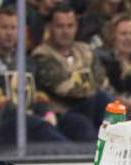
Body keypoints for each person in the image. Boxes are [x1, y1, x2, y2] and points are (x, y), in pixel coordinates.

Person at [0, 5, 68, 143]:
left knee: (73, 121)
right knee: (38, 125)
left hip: (29, 123)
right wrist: (29, 117)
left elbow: (39, 92)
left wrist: (46, 112)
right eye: (4, 28)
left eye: (13, 28)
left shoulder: (26, 62)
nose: (9, 33)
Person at [31, 3, 113, 141]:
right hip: (63, 114)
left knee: (105, 100)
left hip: (91, 107)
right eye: (60, 26)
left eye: (70, 26)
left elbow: (102, 81)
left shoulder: (85, 50)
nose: (65, 31)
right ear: (50, 27)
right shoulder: (42, 54)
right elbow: (65, 88)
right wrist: (90, 84)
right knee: (85, 116)